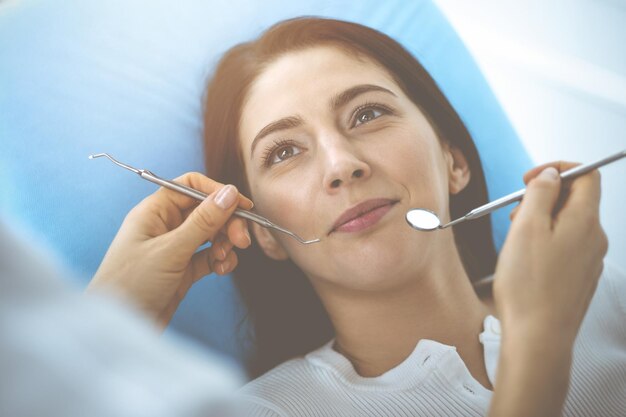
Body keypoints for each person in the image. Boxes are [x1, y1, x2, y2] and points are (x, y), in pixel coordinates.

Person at [89, 18, 625, 417]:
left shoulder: (609, 296)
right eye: (284, 152)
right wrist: (540, 341)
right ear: (262, 235)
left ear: (453, 159)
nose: (342, 165)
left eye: (367, 114)